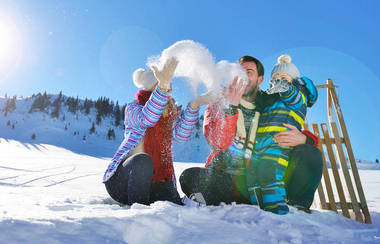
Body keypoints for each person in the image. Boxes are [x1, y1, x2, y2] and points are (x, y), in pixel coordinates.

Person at [179, 55, 323, 212]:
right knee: (189, 176)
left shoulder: (271, 101)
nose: (243, 76)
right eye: (239, 72)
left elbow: (289, 118)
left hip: (265, 174)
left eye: (249, 72)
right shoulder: (220, 102)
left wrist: (305, 138)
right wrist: (230, 108)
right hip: (228, 178)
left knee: (310, 153)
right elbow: (218, 143)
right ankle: (227, 206)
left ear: (260, 79)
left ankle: (297, 208)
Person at [103, 57, 218, 206]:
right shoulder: (133, 109)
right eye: (162, 87)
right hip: (122, 184)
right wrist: (162, 89)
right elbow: (147, 118)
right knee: (142, 160)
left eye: (167, 88)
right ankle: (139, 213)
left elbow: (181, 135)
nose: (167, 93)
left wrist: (194, 105)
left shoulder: (167, 118)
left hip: (153, 184)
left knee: (174, 202)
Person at [246, 54, 318, 214]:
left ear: (293, 80)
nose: (279, 80)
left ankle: (277, 212)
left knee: (269, 175)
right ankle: (258, 210)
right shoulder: (270, 100)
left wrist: (287, 88)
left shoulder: (299, 96)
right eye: (275, 78)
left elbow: (294, 97)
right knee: (251, 177)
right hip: (259, 147)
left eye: (284, 78)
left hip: (278, 146)